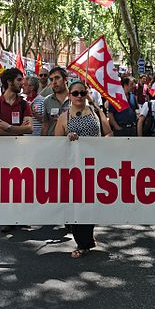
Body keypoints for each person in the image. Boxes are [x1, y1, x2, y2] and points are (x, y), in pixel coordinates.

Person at [55, 80, 112, 257]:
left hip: (95, 166)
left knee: (89, 203)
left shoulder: (96, 112)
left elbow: (109, 133)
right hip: (73, 168)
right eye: (75, 93)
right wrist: (67, 138)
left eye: (82, 92)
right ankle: (82, 243)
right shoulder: (64, 117)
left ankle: (88, 238)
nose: (79, 96)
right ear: (69, 96)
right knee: (76, 204)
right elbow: (56, 142)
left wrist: (101, 143)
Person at [0, 68, 32, 233]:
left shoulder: (24, 104)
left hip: (20, 149)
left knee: (22, 184)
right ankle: (8, 218)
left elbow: (29, 129)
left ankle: (21, 216)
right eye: (19, 80)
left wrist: (8, 127)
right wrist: (17, 129)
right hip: (1, 151)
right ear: (9, 82)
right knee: (5, 185)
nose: (23, 84)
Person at [41, 67, 70, 136]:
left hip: (72, 142)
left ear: (65, 79)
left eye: (57, 78)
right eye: (51, 79)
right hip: (53, 142)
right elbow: (45, 125)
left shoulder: (76, 98)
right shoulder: (47, 101)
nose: (54, 82)